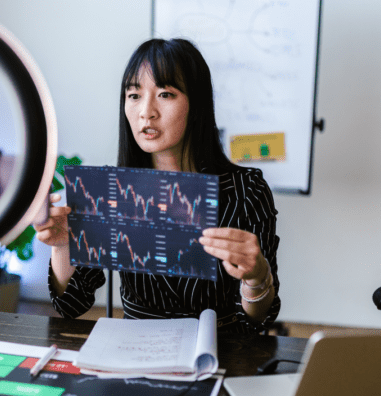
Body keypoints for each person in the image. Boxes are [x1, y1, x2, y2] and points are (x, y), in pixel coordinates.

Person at [34, 38, 280, 333]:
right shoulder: (112, 190)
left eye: (165, 94)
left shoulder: (245, 190)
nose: (146, 111)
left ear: (196, 104)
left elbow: (258, 320)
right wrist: (62, 247)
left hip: (217, 353)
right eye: (134, 95)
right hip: (135, 354)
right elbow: (71, 305)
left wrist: (257, 278)